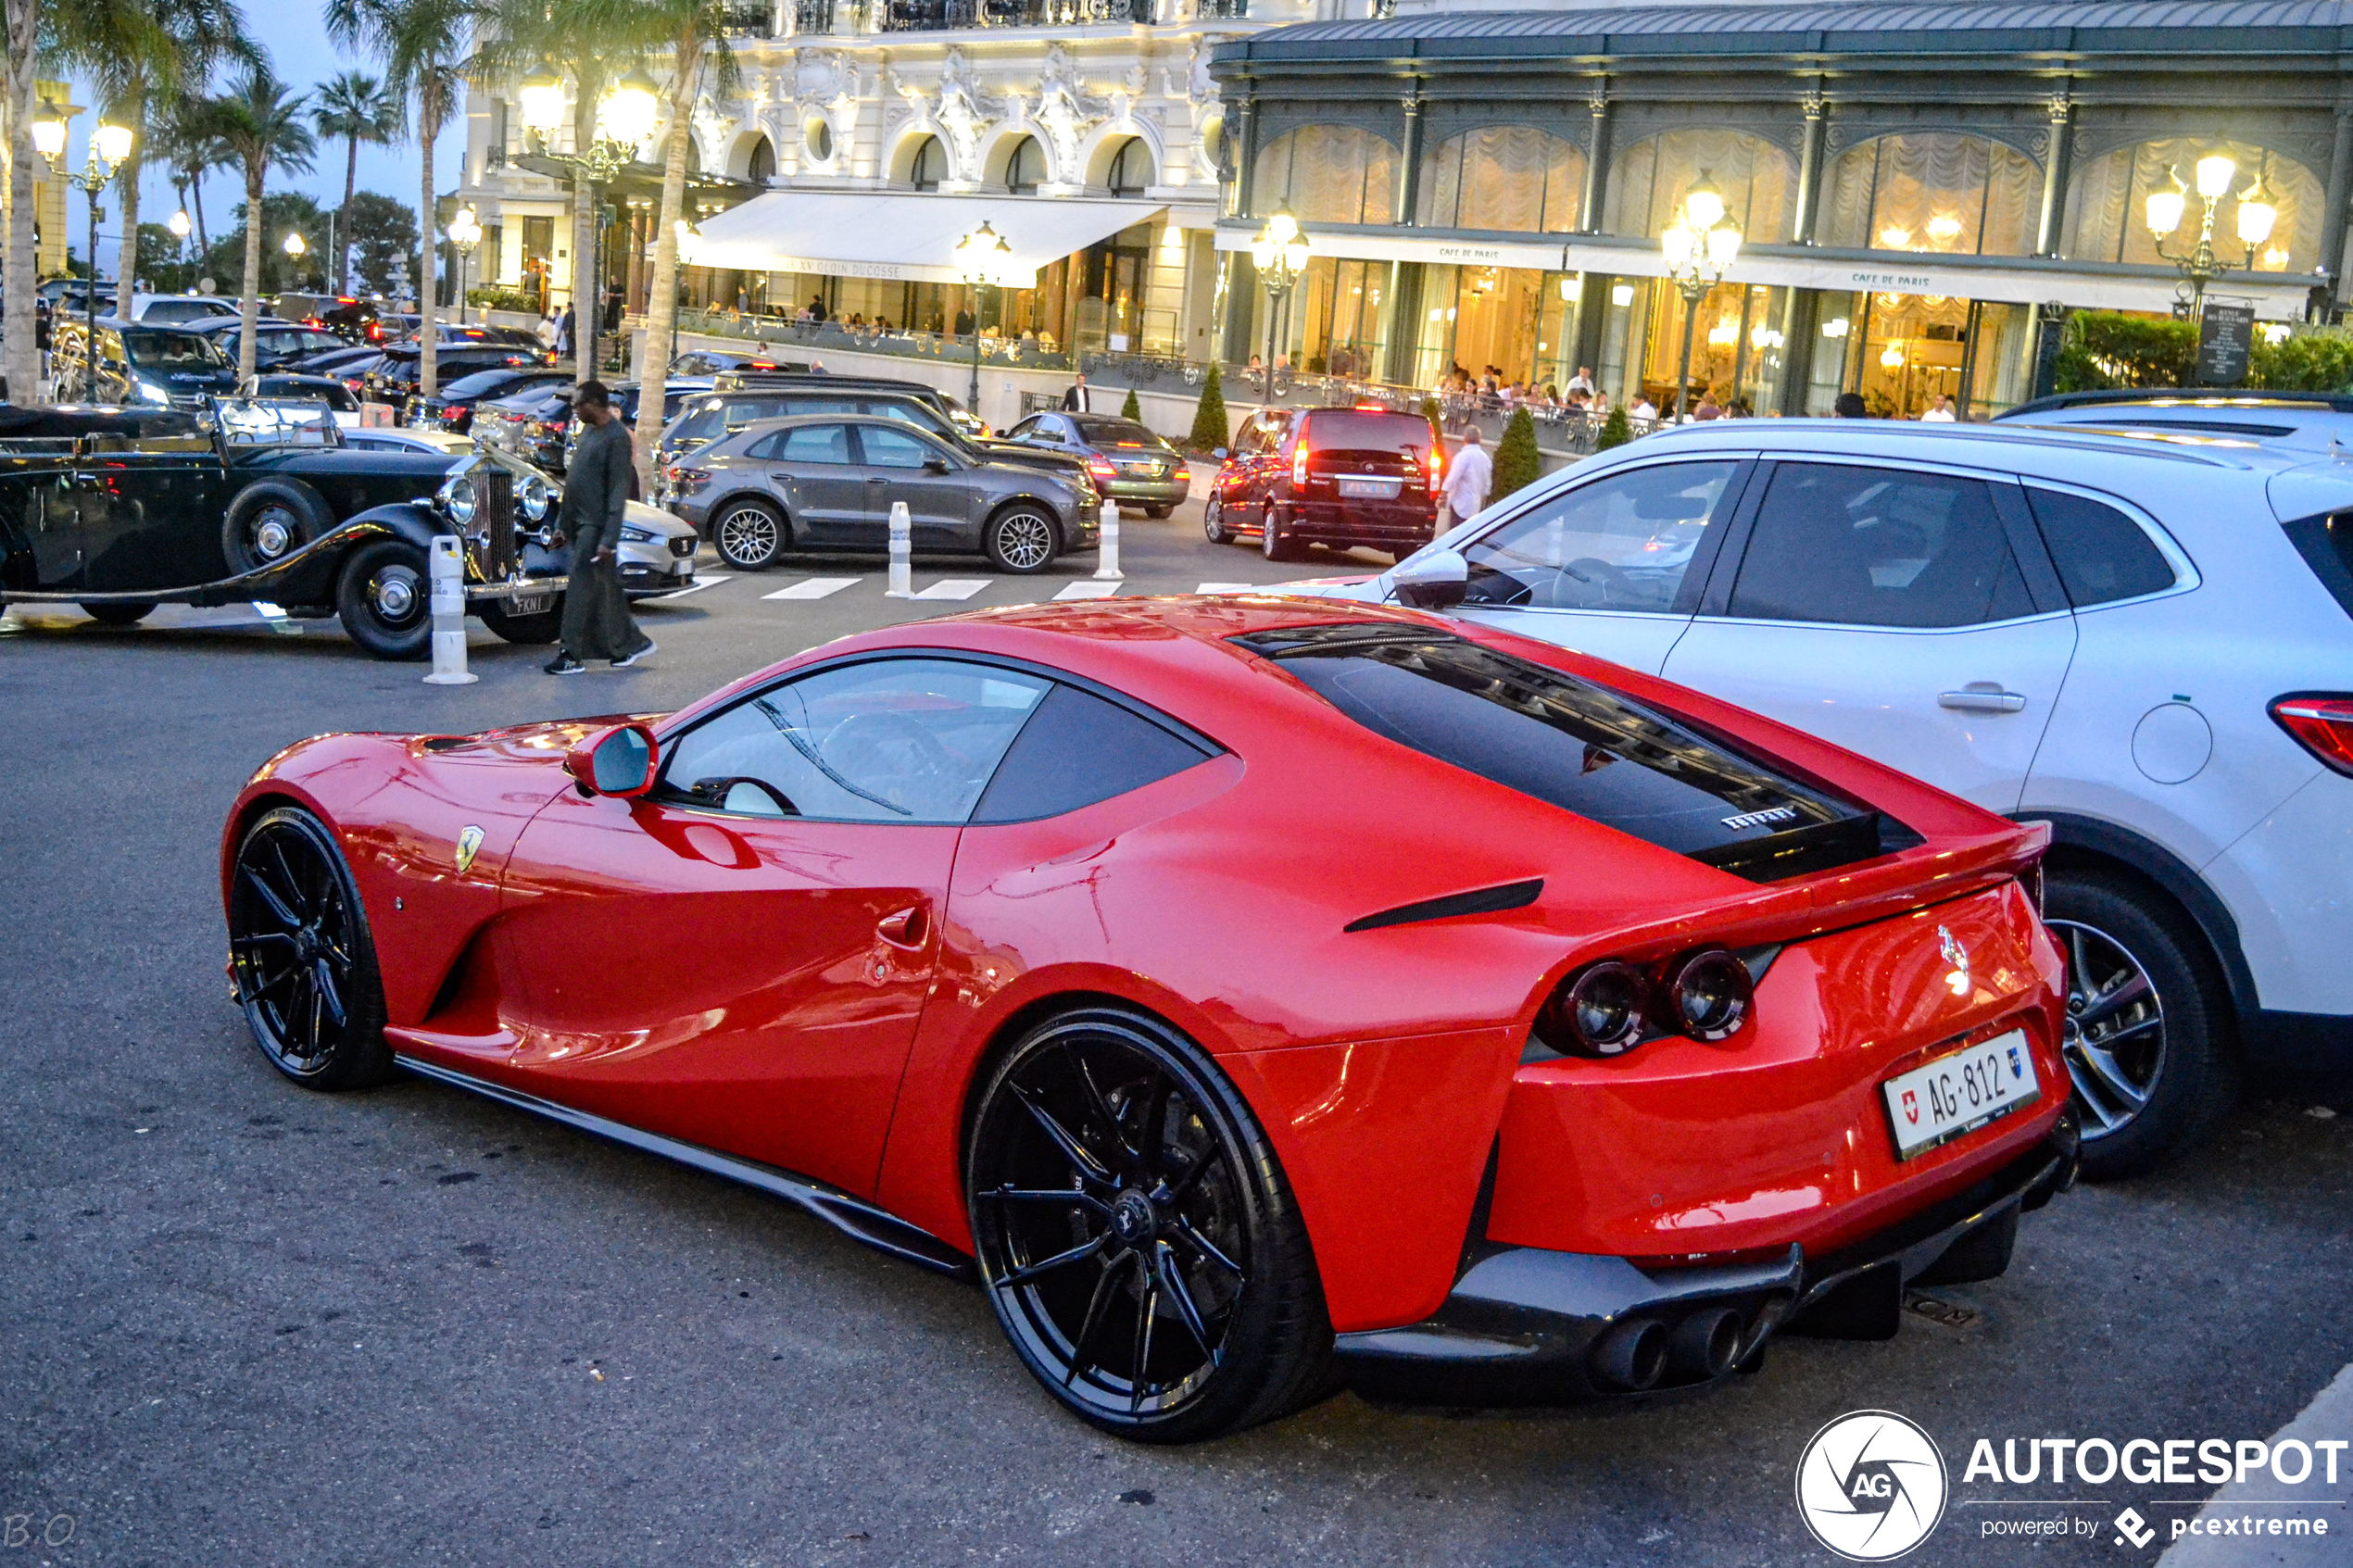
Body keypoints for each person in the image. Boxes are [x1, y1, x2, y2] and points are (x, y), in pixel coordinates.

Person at [546, 381, 654, 675]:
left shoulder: (617, 438)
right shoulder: (588, 432)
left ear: (593, 403)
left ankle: (570, 654)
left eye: (577, 404)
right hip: (579, 524)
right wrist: (562, 526)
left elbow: (618, 490)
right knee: (605, 592)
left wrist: (609, 538)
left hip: (596, 527)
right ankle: (629, 644)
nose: (574, 409)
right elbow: (575, 482)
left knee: (580, 590)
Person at [1441, 425, 1492, 527]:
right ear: (1479, 440)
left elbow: (1452, 478)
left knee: (1455, 537)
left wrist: (1442, 496)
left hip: (1460, 506)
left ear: (1465, 439)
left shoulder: (1462, 457)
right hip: (1475, 508)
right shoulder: (1486, 458)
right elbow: (1486, 487)